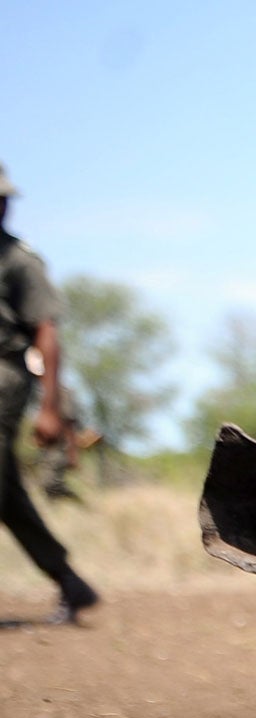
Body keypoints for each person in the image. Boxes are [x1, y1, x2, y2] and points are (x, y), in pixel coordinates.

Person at [0, 162, 99, 624]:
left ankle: (67, 579)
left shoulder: (20, 260)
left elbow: (47, 333)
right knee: (4, 491)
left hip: (5, 377)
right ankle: (69, 581)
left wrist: (51, 407)